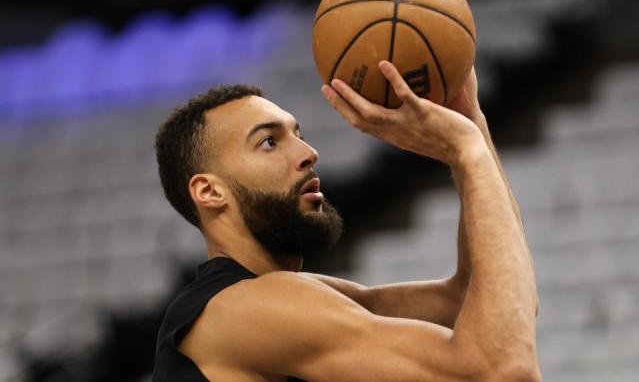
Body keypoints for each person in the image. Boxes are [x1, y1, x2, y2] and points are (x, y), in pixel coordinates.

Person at [152, 60, 541, 381]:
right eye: (269, 142)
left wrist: (472, 123)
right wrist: (468, 152)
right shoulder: (241, 309)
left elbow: (484, 297)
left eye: (297, 134)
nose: (308, 152)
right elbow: (502, 369)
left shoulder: (271, 296)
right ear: (209, 192)